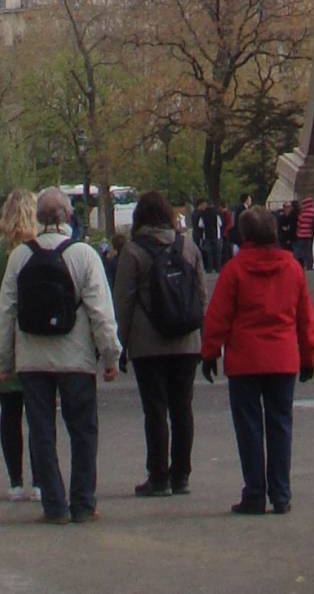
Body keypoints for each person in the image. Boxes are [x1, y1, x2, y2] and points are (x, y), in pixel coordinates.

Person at [0, 186, 121, 524]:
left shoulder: (20, 256)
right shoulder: (84, 255)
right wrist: (110, 356)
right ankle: (83, 502)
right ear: (68, 217)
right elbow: (100, 312)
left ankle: (53, 504)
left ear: (39, 218)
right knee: (83, 431)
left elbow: (6, 312)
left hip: (33, 358)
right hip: (75, 357)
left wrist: (3, 360)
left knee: (41, 431)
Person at [200, 204, 314, 517]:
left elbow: (219, 316)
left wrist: (210, 352)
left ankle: (254, 493)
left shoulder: (235, 270)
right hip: (283, 357)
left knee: (249, 428)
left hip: (245, 359)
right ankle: (281, 493)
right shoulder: (292, 268)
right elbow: (305, 318)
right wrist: (308, 356)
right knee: (281, 425)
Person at [113, 188, 207, 498]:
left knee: (155, 409)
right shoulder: (188, 247)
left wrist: (120, 345)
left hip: (148, 342)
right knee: (183, 408)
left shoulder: (133, 251)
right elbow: (201, 295)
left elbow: (124, 302)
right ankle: (182, 475)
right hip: (186, 340)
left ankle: (158, 475)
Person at [0, 187, 38, 499]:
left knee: (9, 414)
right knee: (40, 414)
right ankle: (41, 479)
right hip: (36, 334)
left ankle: (15, 481)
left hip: (2, 334)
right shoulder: (40, 246)